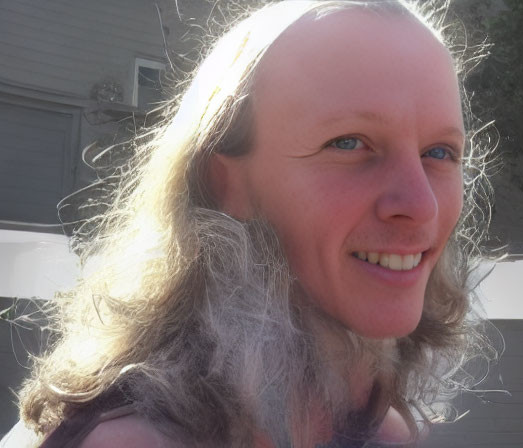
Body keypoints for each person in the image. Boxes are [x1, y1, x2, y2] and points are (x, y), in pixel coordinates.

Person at [4, 1, 493, 446]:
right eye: (349, 143)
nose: (421, 205)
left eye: (440, 153)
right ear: (225, 184)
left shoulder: (382, 430)